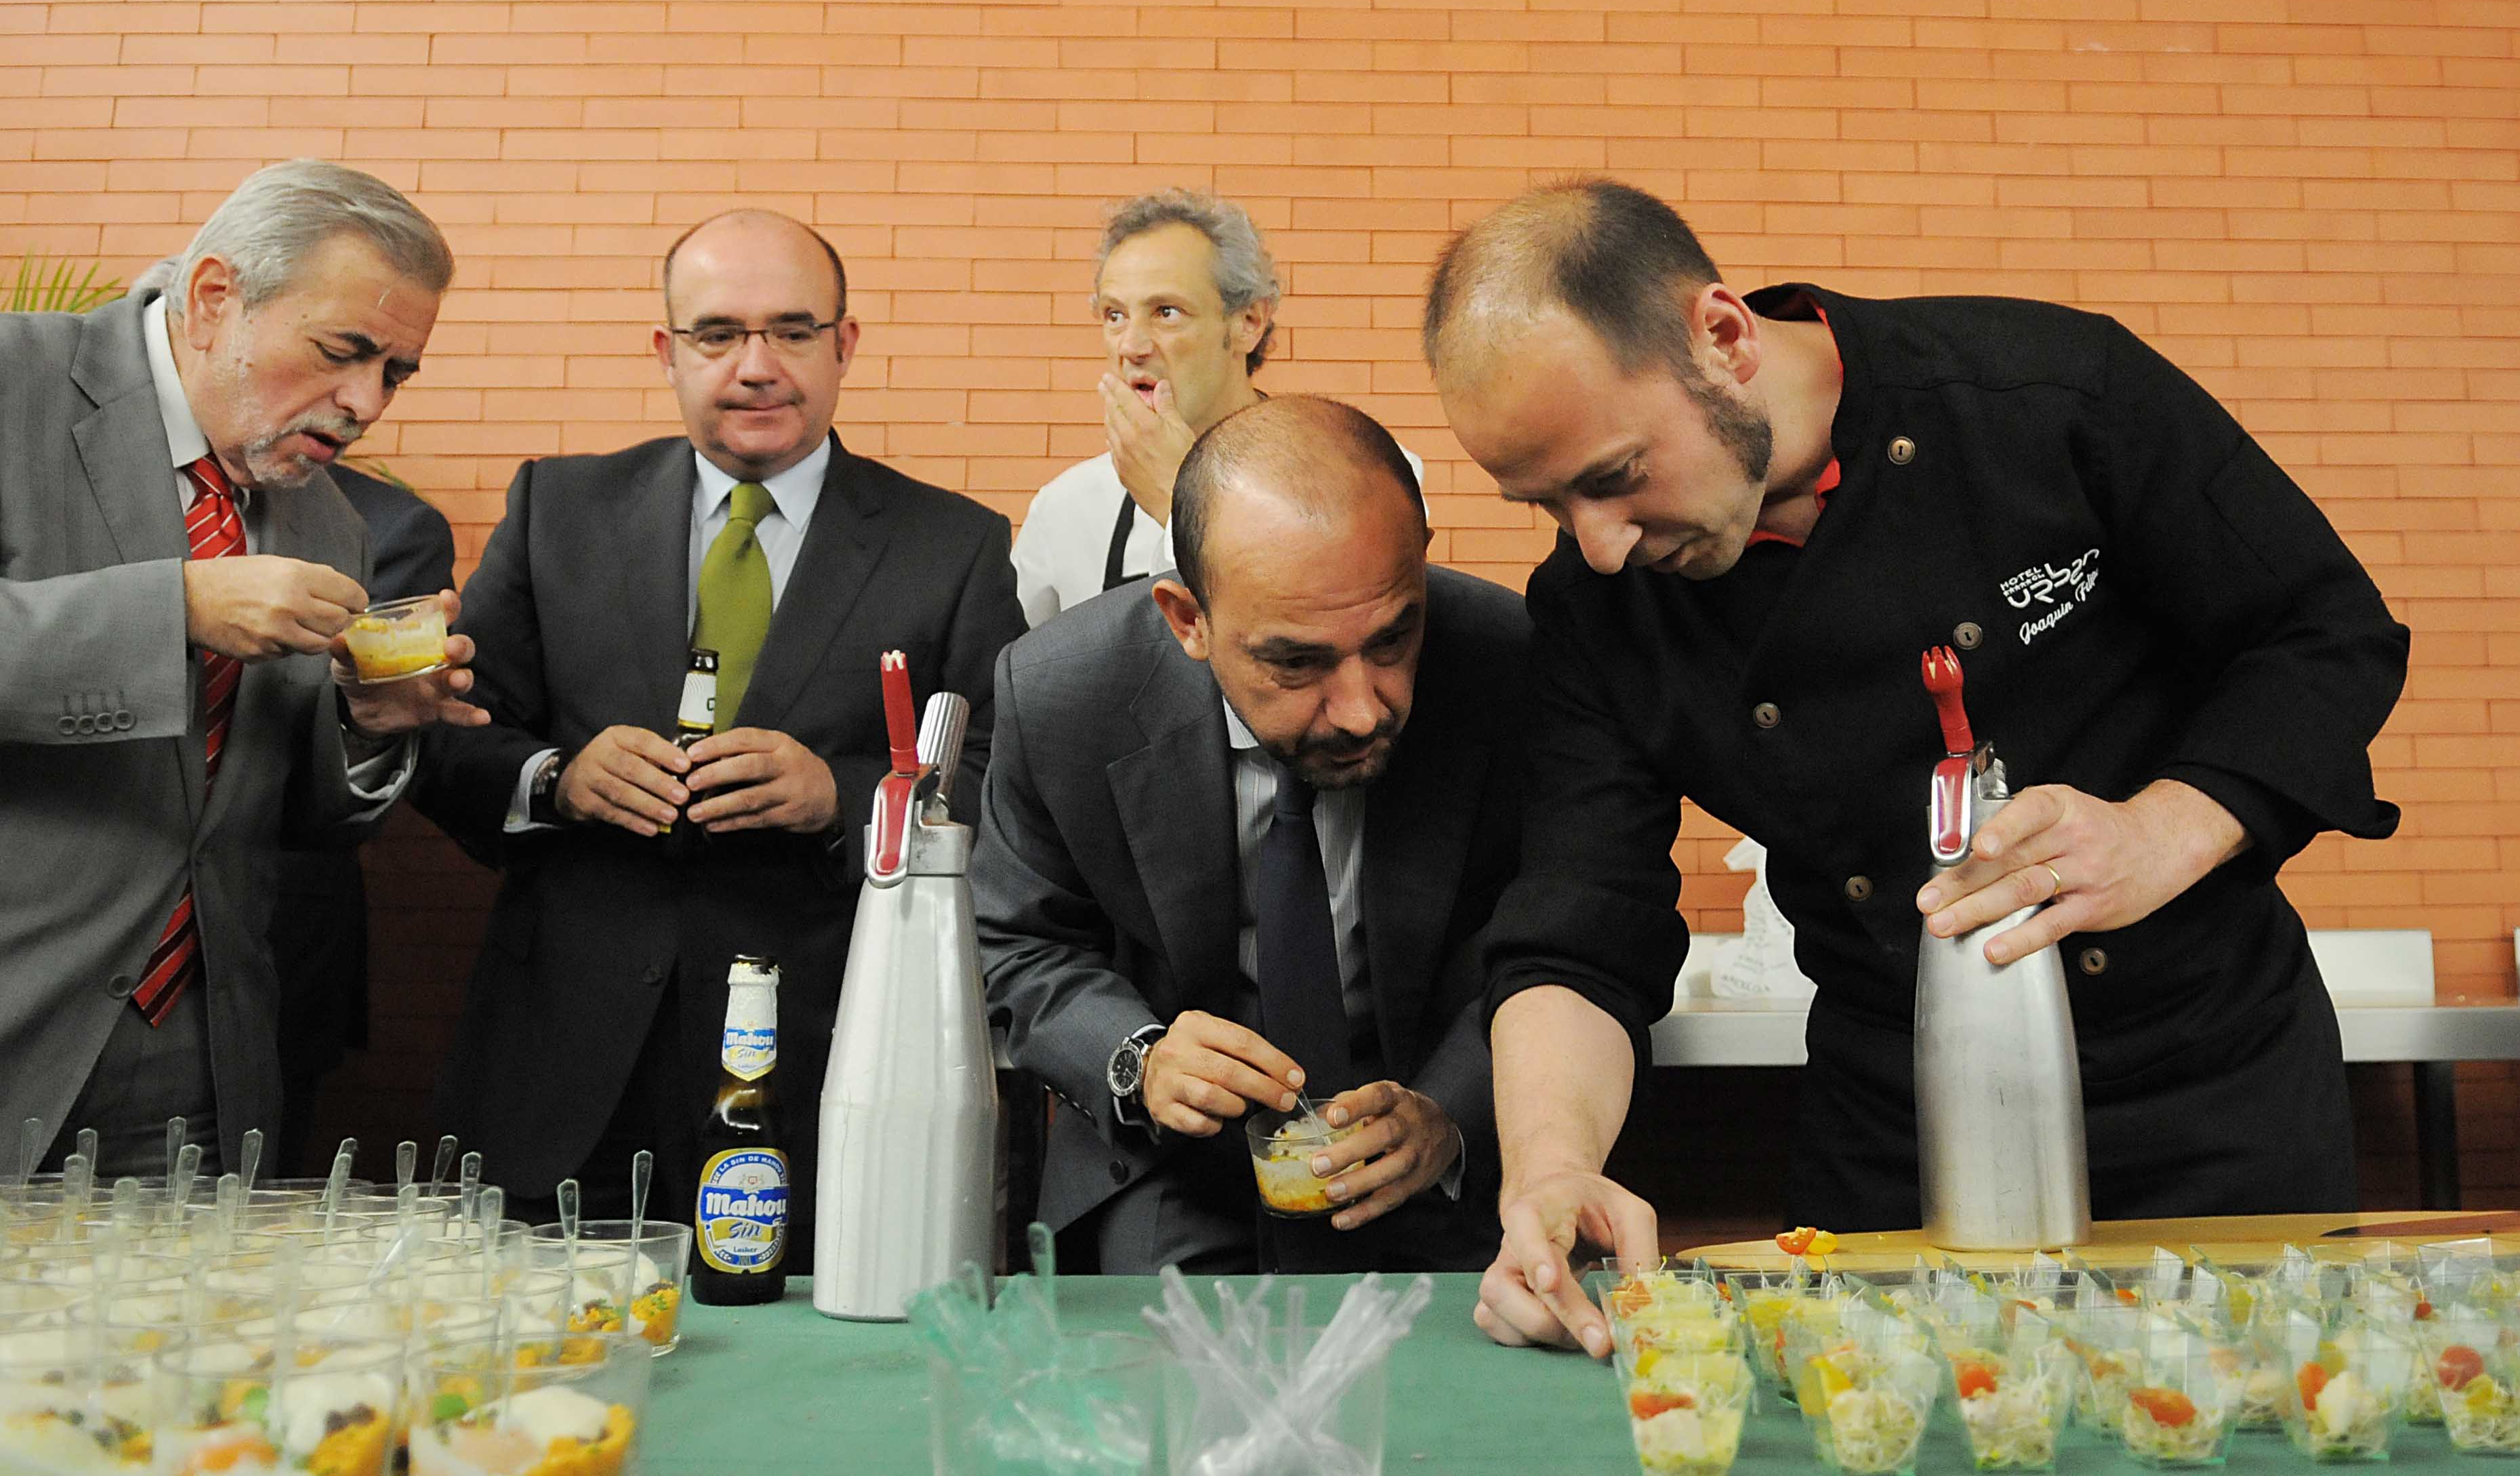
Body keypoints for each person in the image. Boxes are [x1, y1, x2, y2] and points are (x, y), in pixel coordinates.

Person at [1424, 180, 2411, 1357]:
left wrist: (2162, 828)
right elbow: (1579, 918)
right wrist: (1548, 1168)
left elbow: (2322, 631)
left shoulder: (2050, 395)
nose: (1598, 543)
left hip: (2209, 1096)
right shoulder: (1595, 610)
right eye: (1545, 504)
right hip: (1895, 1129)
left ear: (1722, 337)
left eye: (1612, 475)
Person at [414, 208, 1027, 1242]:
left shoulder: (951, 545)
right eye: (717, 334)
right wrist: (558, 779)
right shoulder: (556, 508)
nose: (756, 366)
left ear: (844, 345)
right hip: (559, 1062)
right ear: (666, 351)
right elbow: (447, 738)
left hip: (820, 1064)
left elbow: (1006, 784)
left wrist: (840, 794)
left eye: (791, 330)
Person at [0, 159, 482, 1179]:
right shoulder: (13, 381)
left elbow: (282, 824)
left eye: (396, 373)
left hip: (201, 1076)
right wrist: (173, 607)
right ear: (217, 297)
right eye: (343, 351)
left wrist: (365, 721)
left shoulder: (330, 524)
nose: (365, 403)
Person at [975, 396, 1529, 1273]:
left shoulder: (1508, 663)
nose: (1362, 711)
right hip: (1167, 1176)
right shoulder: (1058, 694)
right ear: (1186, 619)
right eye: (1296, 662)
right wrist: (1138, 1062)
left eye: (1393, 639)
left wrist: (1450, 1113)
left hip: (1442, 1173)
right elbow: (1016, 942)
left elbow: (1556, 937)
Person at [1010, 190, 1426, 625]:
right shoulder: (1065, 507)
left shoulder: (1363, 477)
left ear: (1249, 322)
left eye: (1166, 312)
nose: (1131, 347)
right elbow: (1022, 660)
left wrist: (1176, 499)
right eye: (1115, 315)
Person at [270, 463, 459, 1173]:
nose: (360, 409)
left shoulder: (387, 526)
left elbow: (377, 741)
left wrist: (369, 724)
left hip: (272, 955)